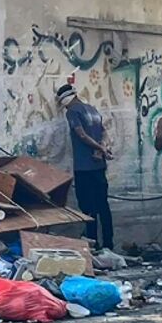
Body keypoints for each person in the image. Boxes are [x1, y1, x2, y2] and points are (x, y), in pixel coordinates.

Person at [57, 84, 115, 250]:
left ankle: (93, 244)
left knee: (88, 209)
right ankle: (109, 244)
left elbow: (81, 134)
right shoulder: (92, 109)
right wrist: (102, 148)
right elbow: (104, 133)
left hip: (84, 167)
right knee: (103, 206)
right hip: (99, 166)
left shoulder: (72, 112)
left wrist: (99, 148)